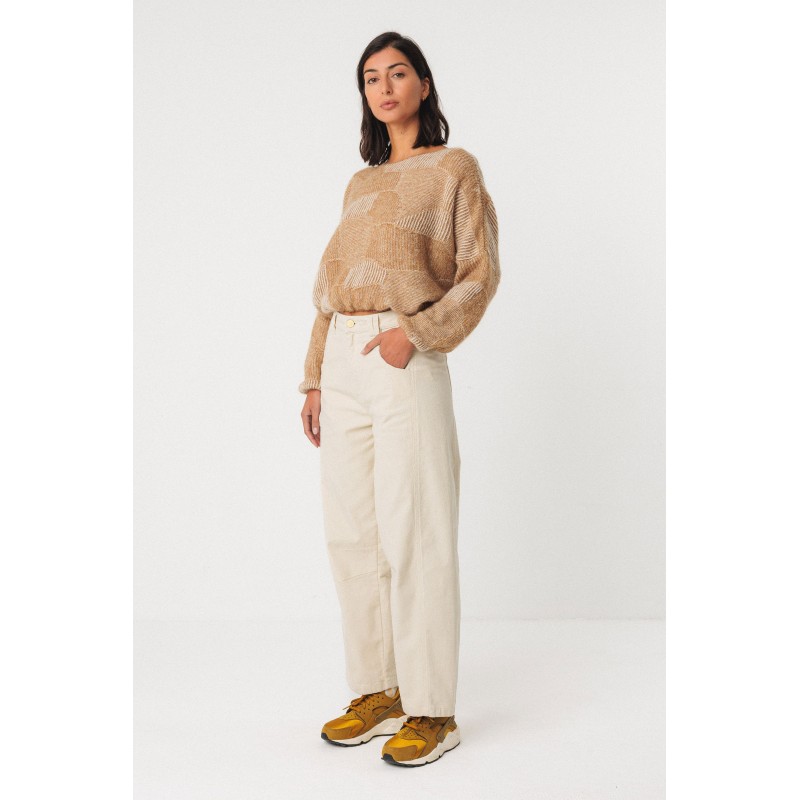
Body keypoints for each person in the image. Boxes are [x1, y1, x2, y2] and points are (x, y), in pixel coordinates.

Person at [298, 31, 501, 767]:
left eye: (397, 73)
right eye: (370, 78)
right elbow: (328, 288)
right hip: (345, 362)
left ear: (423, 84)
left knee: (417, 532)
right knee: (353, 534)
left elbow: (479, 272)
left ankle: (433, 709)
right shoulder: (360, 183)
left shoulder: (454, 169)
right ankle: (378, 690)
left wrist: (415, 334)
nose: (383, 88)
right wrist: (314, 377)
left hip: (403, 353)